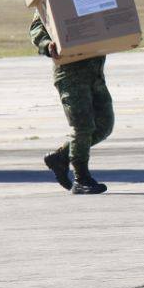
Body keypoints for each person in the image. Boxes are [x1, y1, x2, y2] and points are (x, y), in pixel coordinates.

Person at [30, 14, 112, 195]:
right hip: (70, 75)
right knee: (83, 127)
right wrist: (47, 45)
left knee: (104, 126)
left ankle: (61, 157)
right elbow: (36, 28)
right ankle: (81, 178)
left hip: (95, 73)